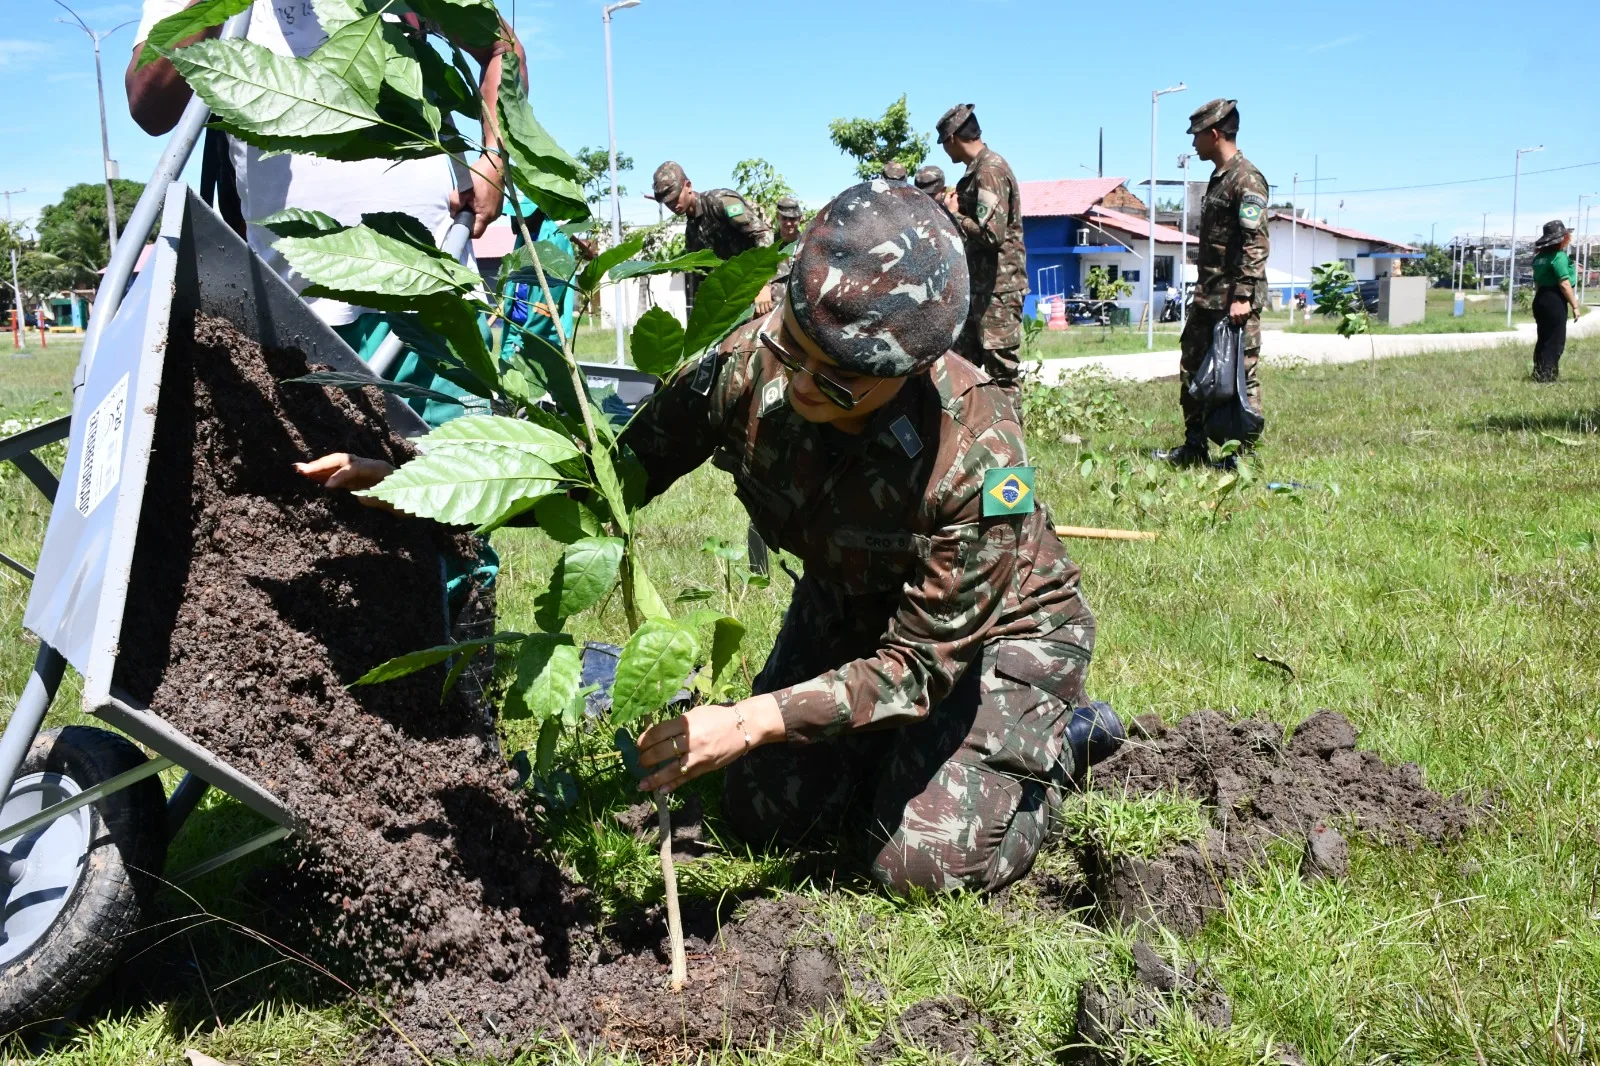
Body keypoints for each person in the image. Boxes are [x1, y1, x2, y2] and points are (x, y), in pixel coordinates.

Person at [301, 182, 1120, 895]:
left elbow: (917, 669)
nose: (798, 387)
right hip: (853, 608)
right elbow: (607, 479)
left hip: (992, 638)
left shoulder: (980, 457)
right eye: (794, 347)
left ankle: (1051, 749)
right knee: (759, 818)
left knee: (916, 866)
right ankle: (901, 766)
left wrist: (749, 718)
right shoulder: (746, 365)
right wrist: (411, 479)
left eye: (837, 380)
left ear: (908, 371)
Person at [126, 0, 523, 431]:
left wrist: (495, 155)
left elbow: (503, 48)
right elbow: (150, 105)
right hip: (300, 319)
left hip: (436, 294)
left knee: (458, 477)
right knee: (324, 491)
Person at [1155, 98, 1269, 467]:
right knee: (1192, 373)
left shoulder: (1246, 179)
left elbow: (1256, 242)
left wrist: (1243, 295)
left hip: (1234, 303)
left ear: (1215, 134)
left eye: (1197, 136)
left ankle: (1241, 458)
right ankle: (1194, 448)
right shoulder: (1219, 178)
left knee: (1239, 378)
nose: (1192, 144)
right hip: (1207, 299)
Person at [936, 104, 1027, 403]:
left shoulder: (990, 170)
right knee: (964, 369)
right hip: (980, 290)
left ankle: (1010, 447)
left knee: (1001, 375)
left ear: (952, 139)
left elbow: (991, 234)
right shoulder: (977, 171)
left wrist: (954, 215)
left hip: (998, 292)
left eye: (943, 143)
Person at [648, 161, 773, 315]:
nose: (673, 205)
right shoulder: (691, 232)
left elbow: (762, 235)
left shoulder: (720, 201)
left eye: (675, 198)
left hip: (766, 283)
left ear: (688, 186)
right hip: (736, 294)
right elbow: (698, 278)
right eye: (667, 203)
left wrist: (763, 283)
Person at [1529, 220, 1583, 382]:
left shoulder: (1539, 258)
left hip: (1540, 298)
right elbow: (1564, 283)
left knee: (1544, 337)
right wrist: (1575, 305)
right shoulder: (1558, 257)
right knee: (1555, 339)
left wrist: (1541, 300)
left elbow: (1537, 283)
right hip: (1554, 299)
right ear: (1562, 238)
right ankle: (1547, 376)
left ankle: (1539, 372)